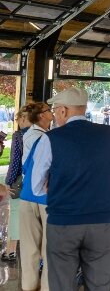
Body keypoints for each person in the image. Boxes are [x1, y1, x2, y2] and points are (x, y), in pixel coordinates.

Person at [30, 87, 110, 291]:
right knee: (100, 283)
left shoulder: (51, 138)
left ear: (63, 111)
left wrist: (53, 185)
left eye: (54, 111)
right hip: (102, 220)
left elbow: (36, 186)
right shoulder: (108, 134)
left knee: (61, 282)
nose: (53, 116)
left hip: (64, 221)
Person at [19, 101, 52, 291]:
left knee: (29, 248)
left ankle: (28, 287)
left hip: (27, 194)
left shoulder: (29, 134)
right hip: (44, 197)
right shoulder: (45, 138)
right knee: (49, 248)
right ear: (41, 116)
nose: (53, 113)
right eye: (49, 110)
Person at [3, 108, 30, 263]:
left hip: (19, 181)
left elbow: (15, 161)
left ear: (22, 119)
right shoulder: (44, 134)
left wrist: (8, 182)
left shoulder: (18, 135)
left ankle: (11, 250)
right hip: (38, 183)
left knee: (15, 214)